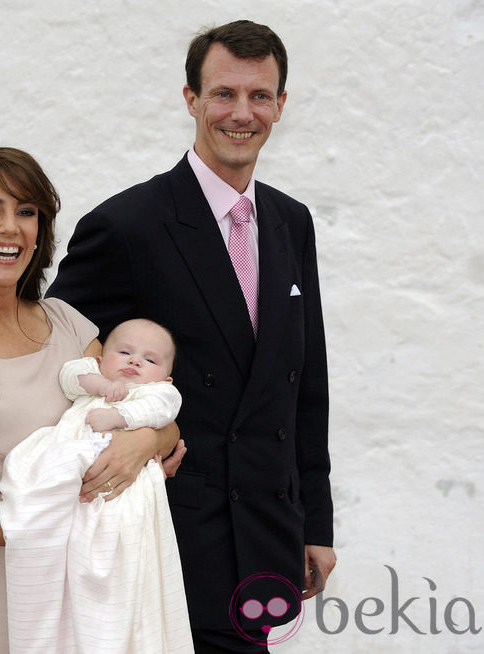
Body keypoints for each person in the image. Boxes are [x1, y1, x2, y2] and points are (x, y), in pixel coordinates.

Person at [47, 20, 336, 653]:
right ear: (190, 99)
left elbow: (302, 385)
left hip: (267, 533)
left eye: (260, 96)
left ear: (281, 106)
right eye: (223, 93)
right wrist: (138, 433)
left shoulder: (292, 222)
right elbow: (57, 356)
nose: (242, 112)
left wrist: (315, 522)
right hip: (166, 535)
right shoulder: (126, 225)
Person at [0, 147, 181, 653]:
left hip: (98, 594)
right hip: (11, 597)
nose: (11, 227)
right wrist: (92, 507)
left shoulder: (67, 324)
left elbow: (149, 406)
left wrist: (154, 438)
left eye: (26, 211)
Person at [0, 319, 193, 653]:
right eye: (124, 351)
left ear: (166, 376)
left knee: (116, 544)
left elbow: (162, 409)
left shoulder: (156, 392)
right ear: (102, 359)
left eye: (150, 359)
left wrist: (120, 417)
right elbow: (69, 375)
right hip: (68, 464)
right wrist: (101, 385)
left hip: (116, 485)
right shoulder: (93, 382)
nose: (135, 361)